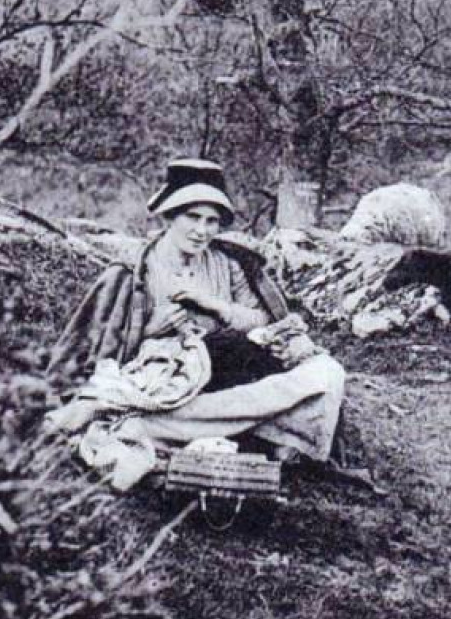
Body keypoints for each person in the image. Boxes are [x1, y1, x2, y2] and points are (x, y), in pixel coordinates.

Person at [49, 159, 348, 482]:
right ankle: (233, 429)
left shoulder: (228, 263)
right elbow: (103, 352)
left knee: (325, 373)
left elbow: (263, 320)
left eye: (212, 221)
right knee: (138, 401)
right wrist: (153, 329)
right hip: (166, 383)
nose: (202, 231)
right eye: (192, 218)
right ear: (168, 217)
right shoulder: (135, 271)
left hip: (226, 375)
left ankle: (221, 427)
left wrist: (217, 306)